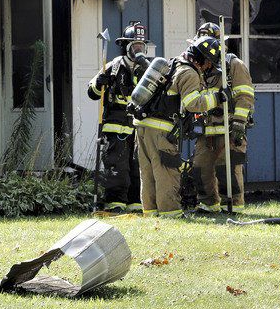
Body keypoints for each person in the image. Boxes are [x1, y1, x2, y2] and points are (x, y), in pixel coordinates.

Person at [134, 36, 228, 217]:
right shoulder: (189, 72)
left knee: (148, 173)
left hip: (143, 125)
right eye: (209, 63)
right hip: (161, 129)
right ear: (202, 58)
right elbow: (193, 103)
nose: (209, 67)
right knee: (166, 172)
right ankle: (171, 213)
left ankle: (151, 212)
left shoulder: (173, 64)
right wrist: (217, 98)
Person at [192, 22, 255, 213]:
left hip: (229, 127)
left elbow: (245, 96)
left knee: (227, 168)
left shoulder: (234, 65)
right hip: (206, 129)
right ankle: (208, 204)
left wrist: (239, 123)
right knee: (200, 168)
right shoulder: (200, 67)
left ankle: (234, 206)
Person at [87, 21, 150, 213]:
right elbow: (92, 93)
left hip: (138, 127)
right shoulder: (113, 67)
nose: (139, 50)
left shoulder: (148, 70)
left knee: (136, 166)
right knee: (117, 166)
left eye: (142, 46)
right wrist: (99, 82)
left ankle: (135, 204)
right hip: (116, 128)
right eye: (135, 46)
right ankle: (115, 204)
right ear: (126, 47)